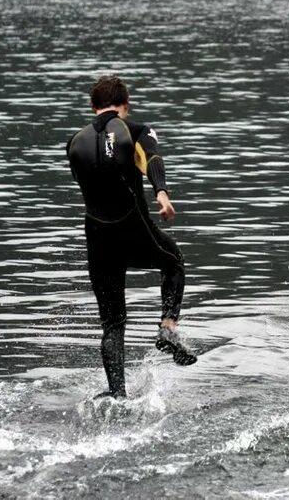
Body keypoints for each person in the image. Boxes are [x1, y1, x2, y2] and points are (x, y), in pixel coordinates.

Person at [66, 75, 196, 399]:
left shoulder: (73, 142)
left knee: (112, 324)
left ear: (92, 106)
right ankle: (168, 329)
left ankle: (117, 397)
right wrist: (162, 194)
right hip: (133, 229)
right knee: (174, 261)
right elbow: (152, 158)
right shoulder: (135, 130)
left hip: (98, 240)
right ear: (125, 105)